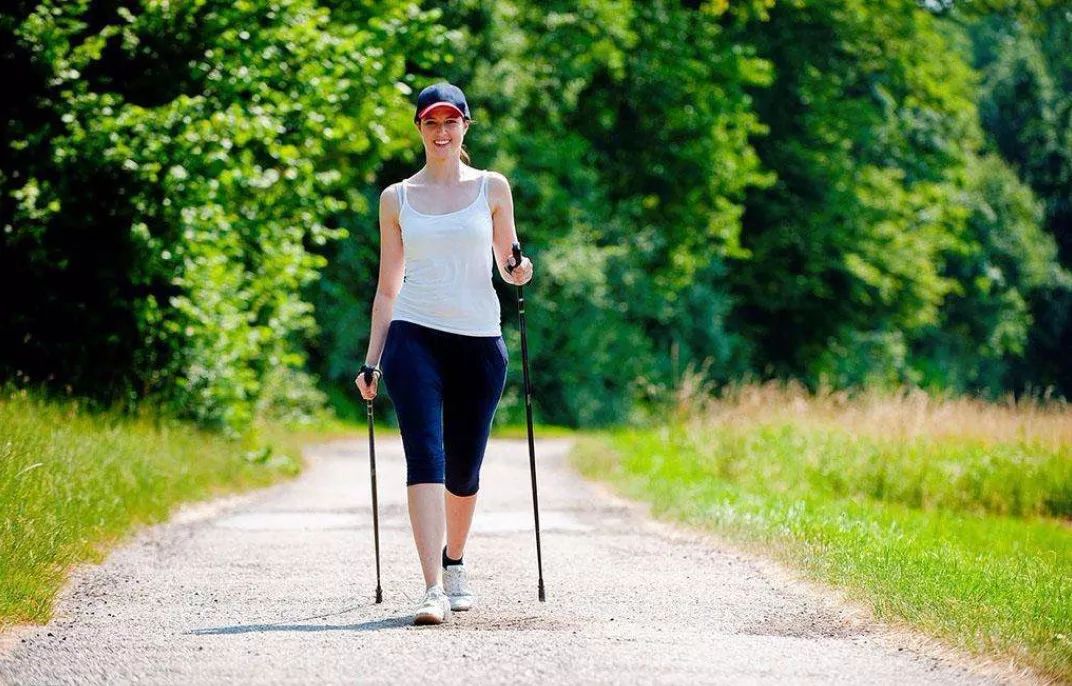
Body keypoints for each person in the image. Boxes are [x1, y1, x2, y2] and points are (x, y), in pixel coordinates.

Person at [354, 82, 534, 626]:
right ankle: (432, 586)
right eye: (431, 123)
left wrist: (521, 271)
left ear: (465, 128)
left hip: (480, 341)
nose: (441, 132)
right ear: (419, 129)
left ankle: (455, 562)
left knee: (464, 468)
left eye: (450, 122)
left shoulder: (492, 188)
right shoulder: (397, 198)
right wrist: (373, 360)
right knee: (424, 456)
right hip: (414, 336)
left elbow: (509, 261)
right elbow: (388, 287)